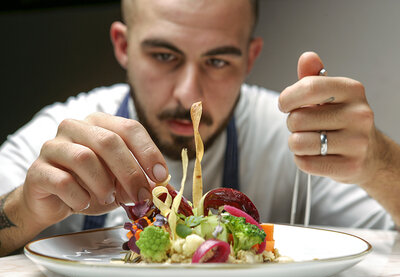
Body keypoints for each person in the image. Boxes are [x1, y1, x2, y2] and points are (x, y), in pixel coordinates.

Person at [1, 0, 399, 257]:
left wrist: (381, 162)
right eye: (163, 55)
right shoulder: (66, 133)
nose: (189, 93)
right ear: (123, 46)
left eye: (219, 61)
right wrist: (23, 209)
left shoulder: (290, 136)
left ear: (250, 57)